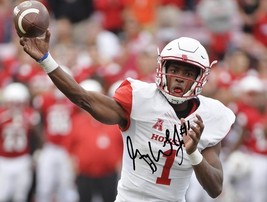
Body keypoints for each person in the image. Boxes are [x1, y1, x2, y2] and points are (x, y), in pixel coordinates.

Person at [19, 30, 236, 202]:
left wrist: (193, 153)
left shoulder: (209, 115)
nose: (179, 78)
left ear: (201, 78)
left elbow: (215, 188)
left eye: (188, 73)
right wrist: (46, 60)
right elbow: (83, 98)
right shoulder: (140, 98)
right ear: (162, 68)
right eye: (175, 70)